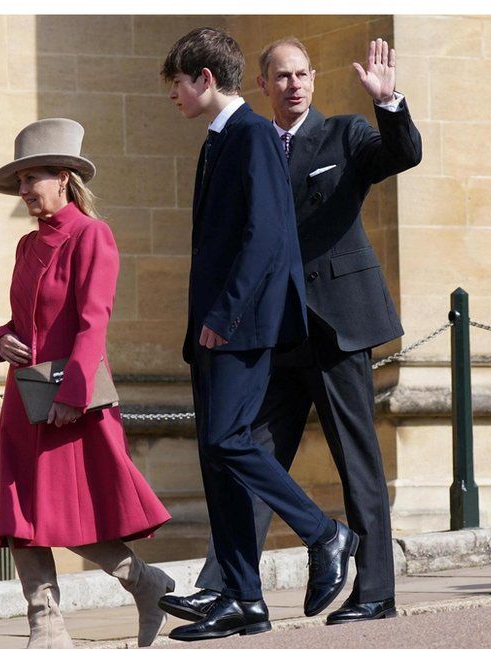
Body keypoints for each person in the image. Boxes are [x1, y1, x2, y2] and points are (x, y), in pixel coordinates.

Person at [161, 37, 423, 626]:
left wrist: (390, 103)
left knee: (357, 464)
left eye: (303, 74)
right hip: (275, 329)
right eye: (282, 76)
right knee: (249, 454)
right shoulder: (251, 138)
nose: (294, 85)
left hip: (335, 326)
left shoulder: (346, 135)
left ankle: (375, 590)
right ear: (263, 85)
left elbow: (402, 155)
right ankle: (229, 586)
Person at [0, 118, 174, 648]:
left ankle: (146, 584)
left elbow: (95, 321)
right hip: (25, 398)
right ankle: (45, 625)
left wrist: (73, 396)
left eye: (33, 179)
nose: (24, 190)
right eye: (20, 181)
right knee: (20, 513)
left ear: (63, 178)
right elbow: (22, 320)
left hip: (73, 401)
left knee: (75, 519)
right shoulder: (27, 246)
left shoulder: (93, 235)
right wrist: (2, 340)